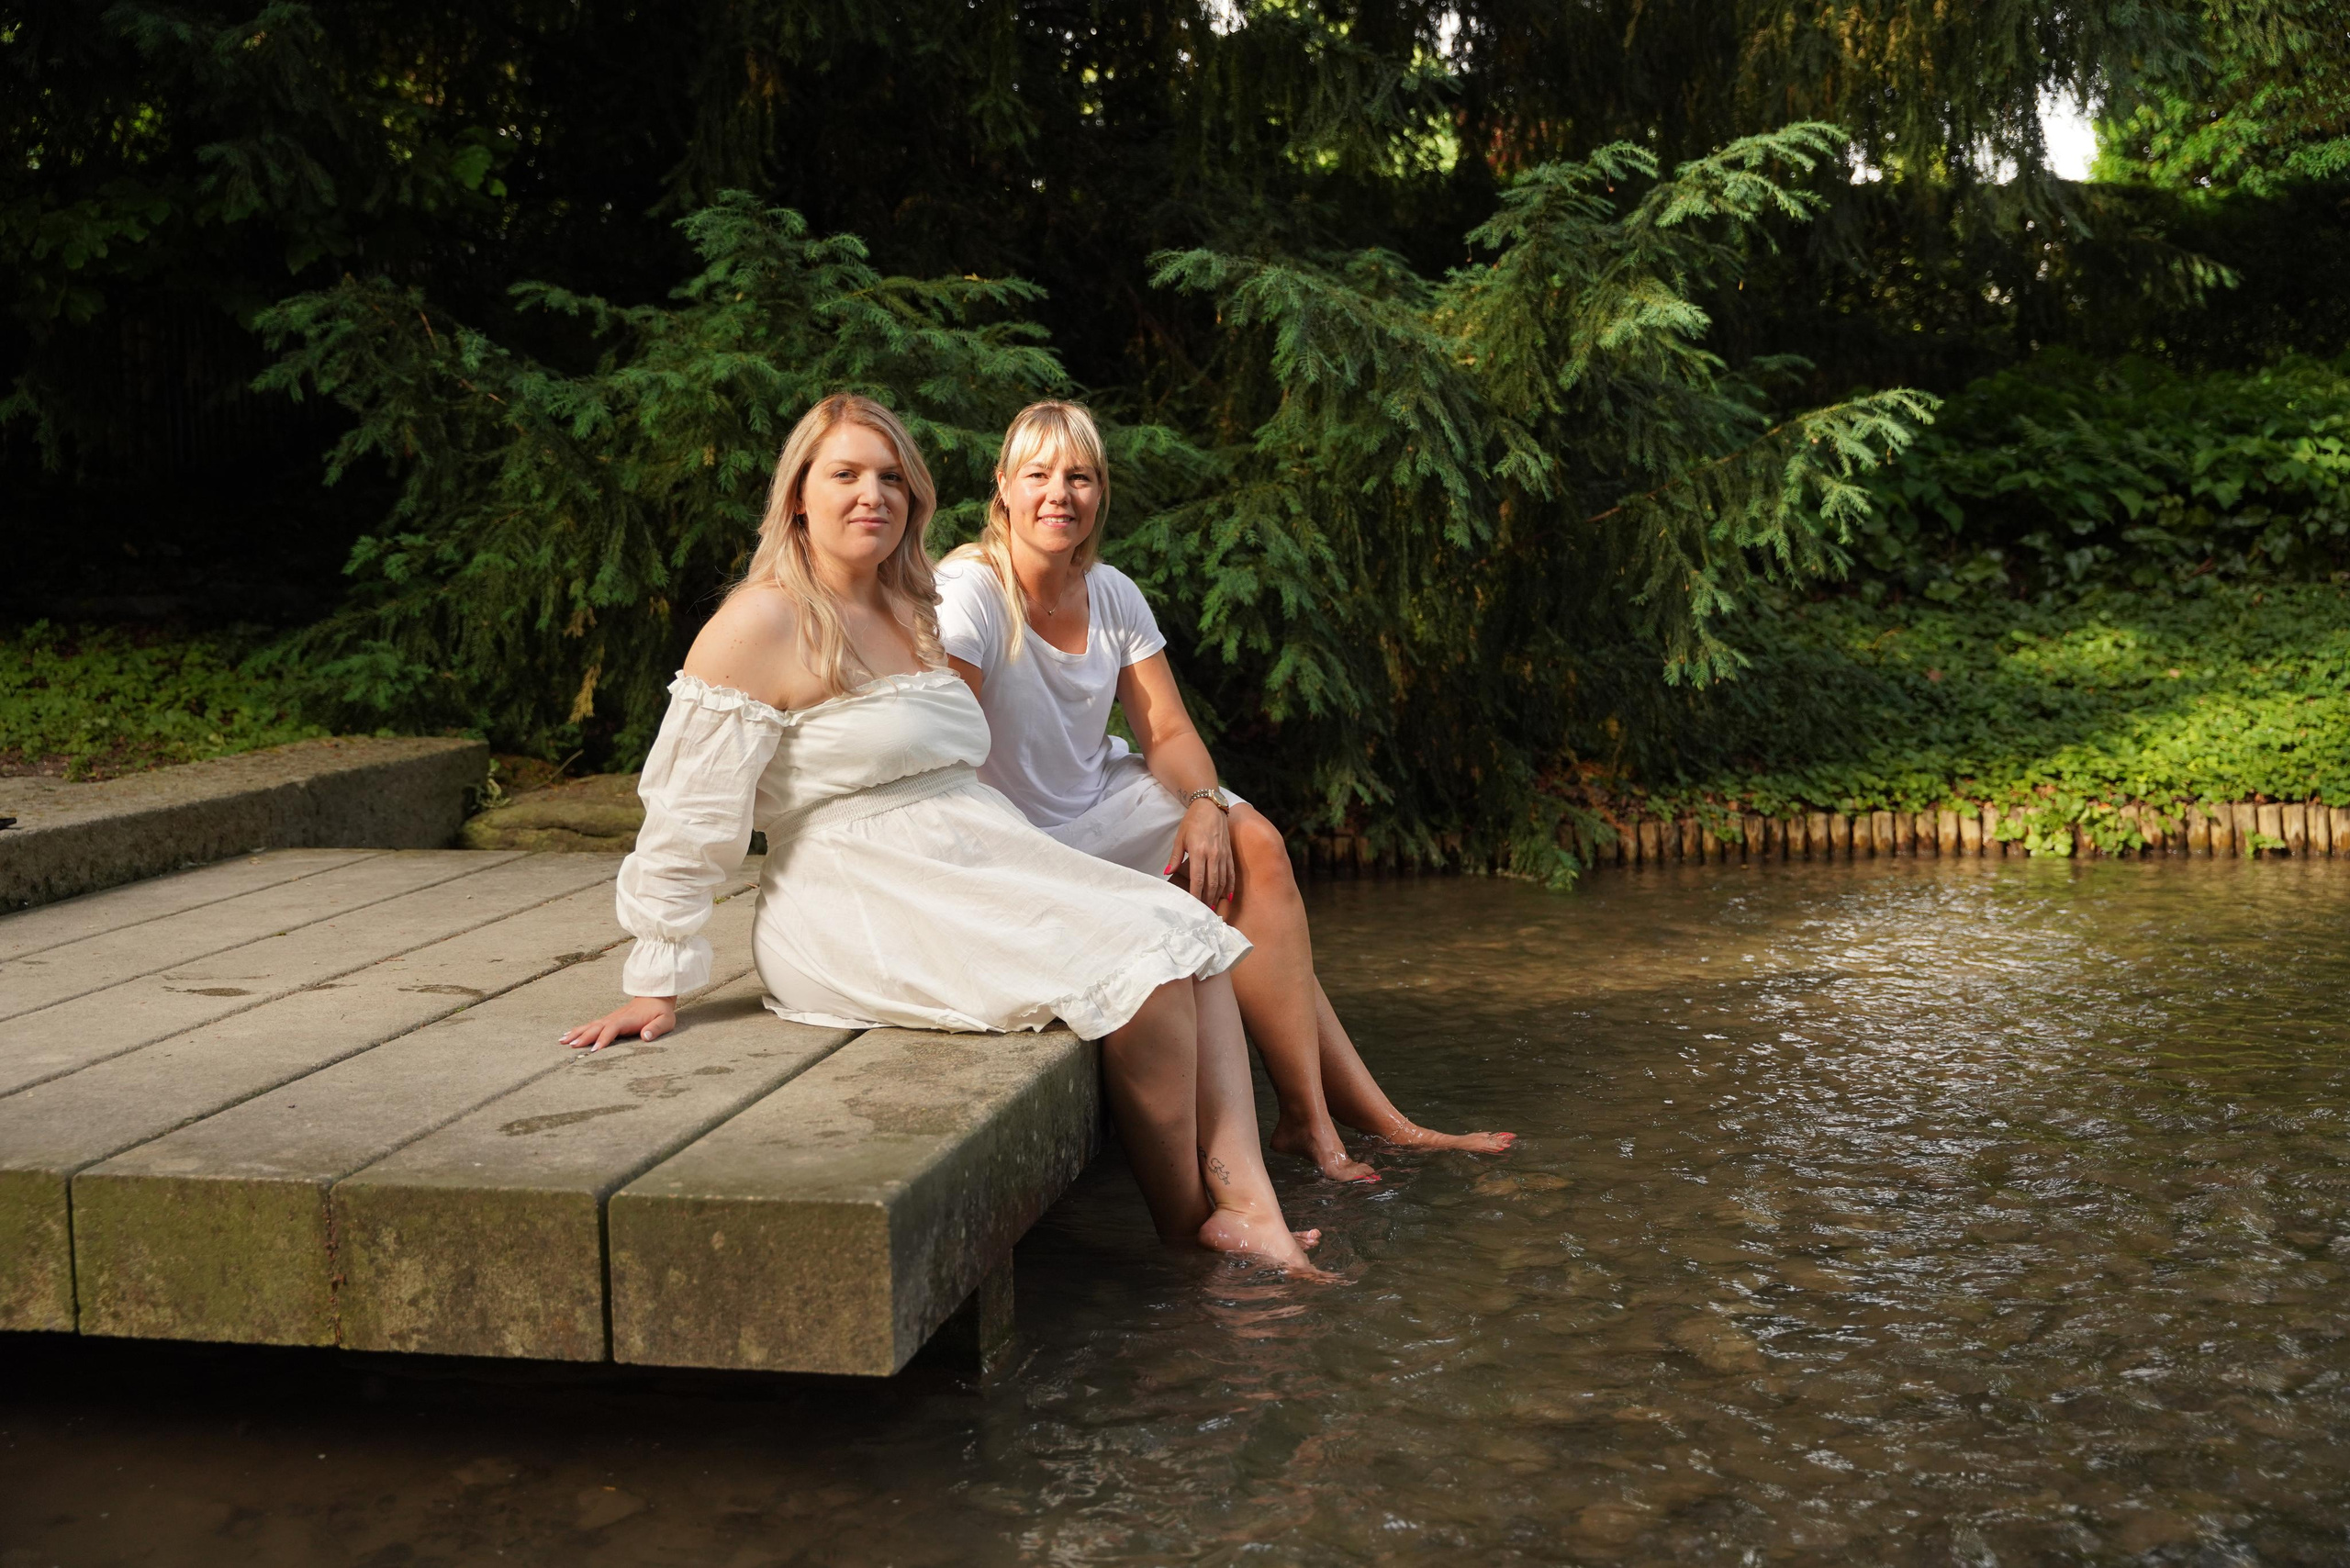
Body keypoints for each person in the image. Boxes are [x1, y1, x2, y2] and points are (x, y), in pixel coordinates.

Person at [560, 393, 1321, 1272]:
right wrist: (660, 977)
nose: (870, 495)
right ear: (798, 494)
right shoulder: (760, 622)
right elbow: (687, 819)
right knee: (1143, 971)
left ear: (916, 500)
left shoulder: (912, 608)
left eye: (891, 479)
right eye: (844, 475)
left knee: (1186, 932)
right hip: (855, 897)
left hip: (966, 856)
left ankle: (1250, 1207)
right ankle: (1190, 1233)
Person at [935, 401, 1515, 1183]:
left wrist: (1206, 803)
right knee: (1225, 919)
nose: (1058, 494)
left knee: (1255, 843)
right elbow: (948, 753)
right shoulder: (968, 591)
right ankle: (1364, 1122)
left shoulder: (1108, 591)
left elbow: (1167, 733)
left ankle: (1313, 1121)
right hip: (1023, 839)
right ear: (1001, 487)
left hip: (1100, 801)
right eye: (1037, 475)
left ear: (1100, 491)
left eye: (1079, 476)